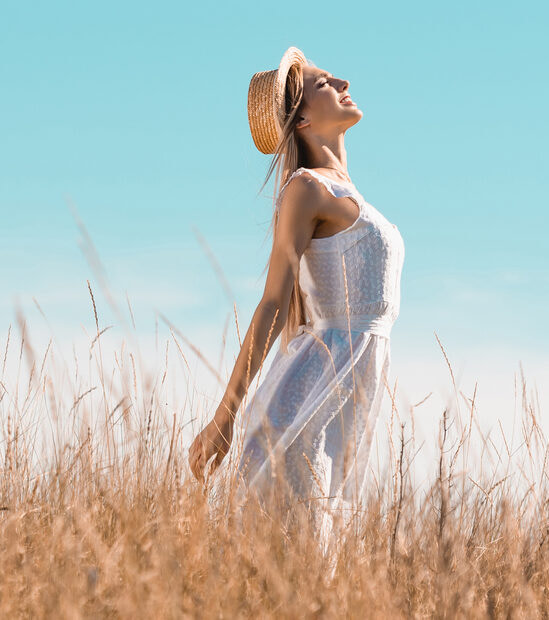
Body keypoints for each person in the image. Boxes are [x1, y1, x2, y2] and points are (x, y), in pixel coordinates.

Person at [186, 47, 405, 542]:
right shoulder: (306, 189)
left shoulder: (347, 194)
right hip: (303, 406)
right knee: (299, 561)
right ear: (301, 117)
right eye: (325, 82)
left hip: (341, 409)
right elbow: (272, 304)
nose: (344, 81)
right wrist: (225, 417)